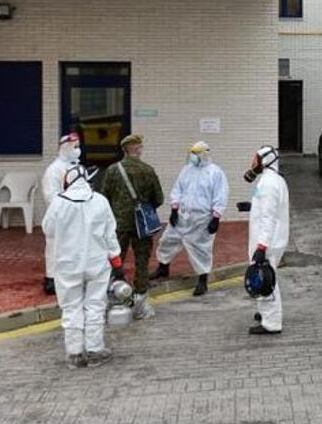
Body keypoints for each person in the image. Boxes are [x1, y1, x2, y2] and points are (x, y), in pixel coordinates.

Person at [42, 164, 122, 369]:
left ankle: (75, 353)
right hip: (96, 262)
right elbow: (110, 234)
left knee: (71, 307)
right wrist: (116, 261)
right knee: (95, 305)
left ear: (67, 182)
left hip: (67, 263)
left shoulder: (58, 203)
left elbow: (48, 229)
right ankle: (95, 349)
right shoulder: (100, 201)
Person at [150, 141, 229, 296]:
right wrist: (174, 209)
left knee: (201, 249)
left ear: (204, 154)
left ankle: (202, 280)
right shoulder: (187, 170)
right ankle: (163, 267)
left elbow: (221, 196)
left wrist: (216, 217)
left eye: (196, 153)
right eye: (192, 153)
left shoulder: (215, 173)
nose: (193, 156)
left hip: (201, 218)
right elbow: (177, 189)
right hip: (182, 215)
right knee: (168, 240)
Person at [97, 134, 162, 319]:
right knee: (142, 261)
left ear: (124, 150)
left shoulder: (112, 170)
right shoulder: (148, 170)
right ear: (138, 149)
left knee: (115, 260)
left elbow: (103, 197)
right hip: (142, 225)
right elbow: (158, 198)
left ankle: (110, 299)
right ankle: (140, 304)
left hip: (119, 223)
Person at [244, 145, 289, 335]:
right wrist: (251, 206)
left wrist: (262, 246)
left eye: (256, 158)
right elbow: (268, 208)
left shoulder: (268, 183)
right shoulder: (273, 180)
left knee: (265, 277)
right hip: (272, 238)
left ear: (265, 160)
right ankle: (265, 312)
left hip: (267, 240)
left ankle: (272, 322)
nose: (253, 162)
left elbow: (268, 217)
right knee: (265, 275)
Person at [41, 133, 80, 295]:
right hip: (59, 217)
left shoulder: (75, 166)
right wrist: (68, 208)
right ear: (65, 148)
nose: (78, 150)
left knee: (71, 249)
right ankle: (52, 279)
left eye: (78, 146)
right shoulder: (54, 170)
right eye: (75, 147)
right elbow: (51, 196)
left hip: (74, 217)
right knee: (55, 249)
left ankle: (69, 278)